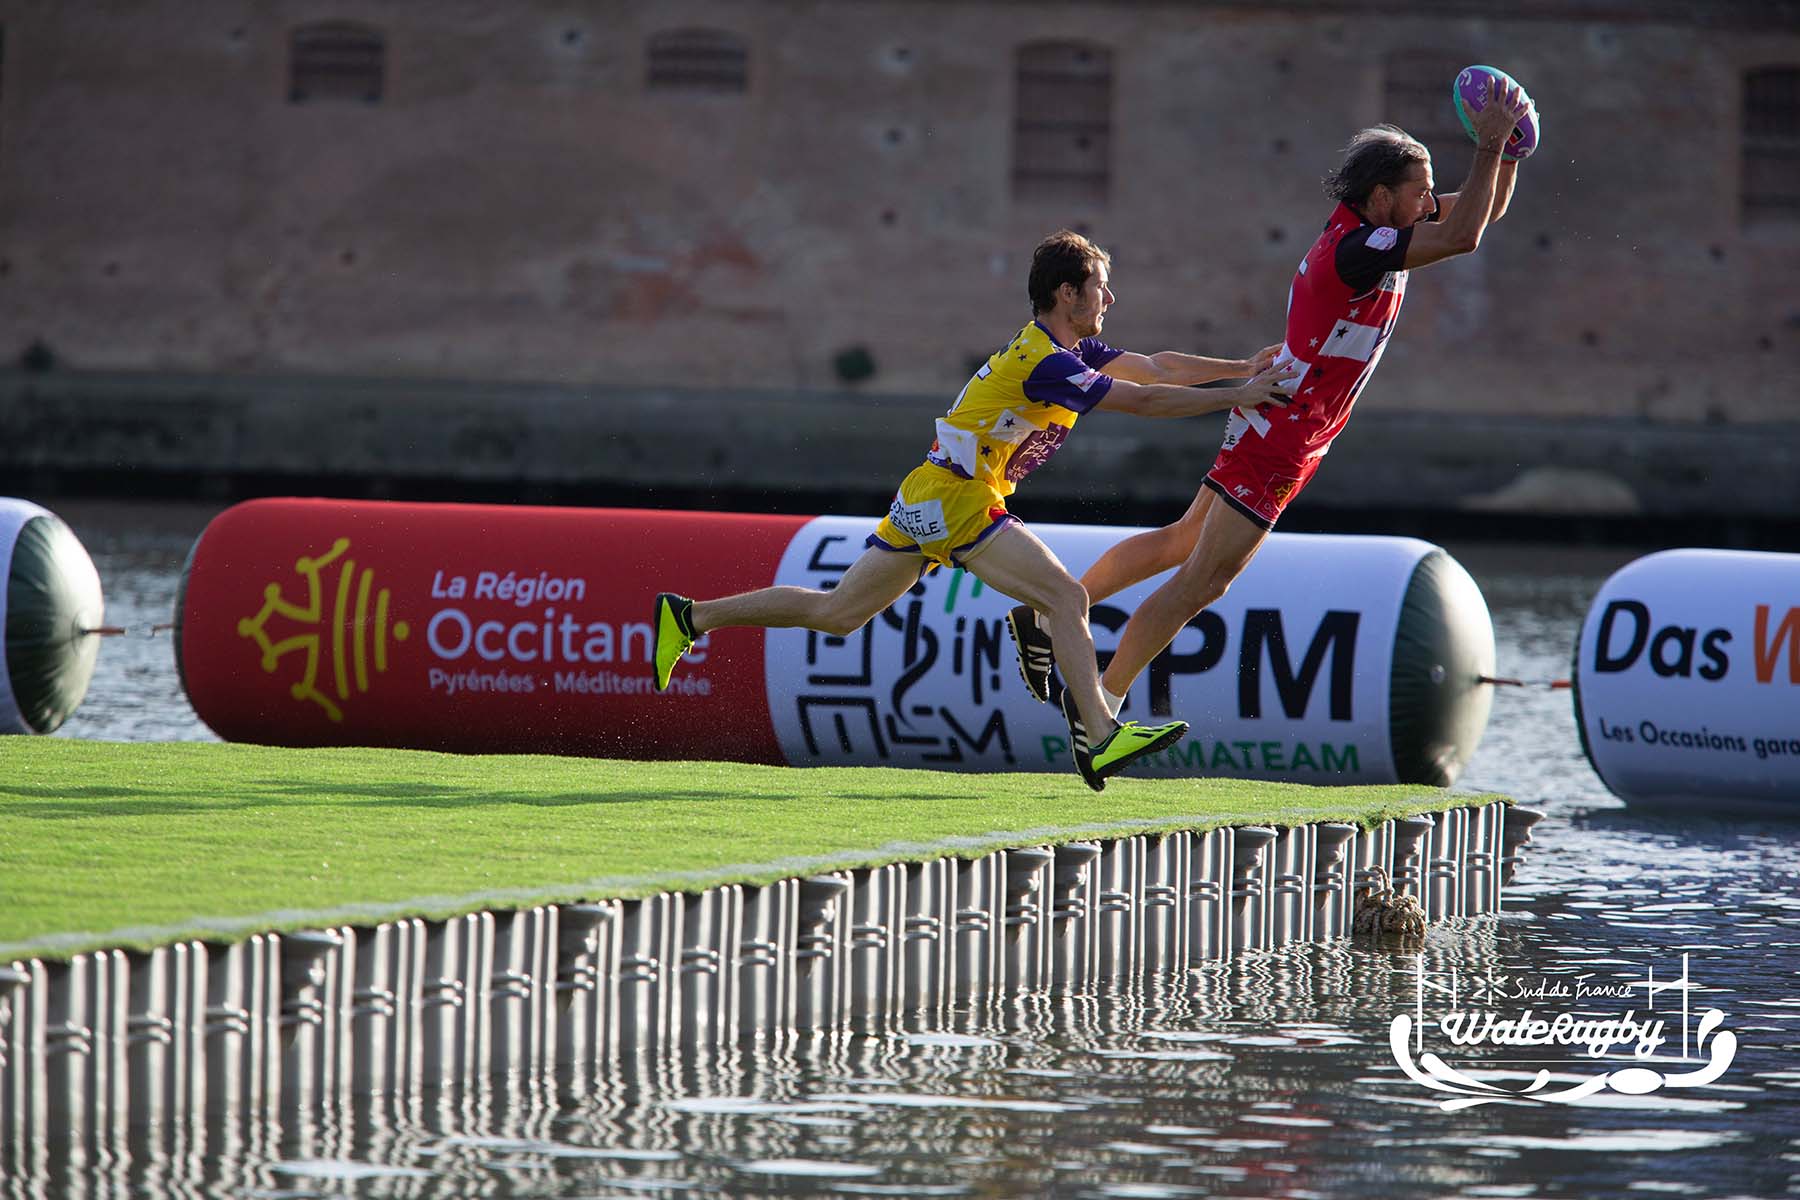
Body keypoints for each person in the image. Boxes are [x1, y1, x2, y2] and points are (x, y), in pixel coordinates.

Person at [654, 229, 1293, 791]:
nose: (1110, 300)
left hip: (931, 491)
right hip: (960, 499)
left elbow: (1156, 369)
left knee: (837, 613)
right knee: (1066, 599)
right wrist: (1241, 395)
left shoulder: (1065, 352)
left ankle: (691, 617)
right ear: (1068, 294)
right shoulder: (1045, 363)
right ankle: (1100, 734)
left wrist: (1242, 366)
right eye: (1101, 286)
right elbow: (1146, 404)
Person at [1008, 77, 1535, 719]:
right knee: (1203, 579)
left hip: (1283, 421)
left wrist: (1504, 153)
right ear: (1380, 197)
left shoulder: (1376, 230)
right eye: (1421, 192)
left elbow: (1476, 215)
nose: (1431, 203)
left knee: (1180, 544)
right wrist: (1484, 150)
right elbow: (1463, 237)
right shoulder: (1358, 250)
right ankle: (1099, 712)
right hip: (1282, 432)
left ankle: (1048, 618)